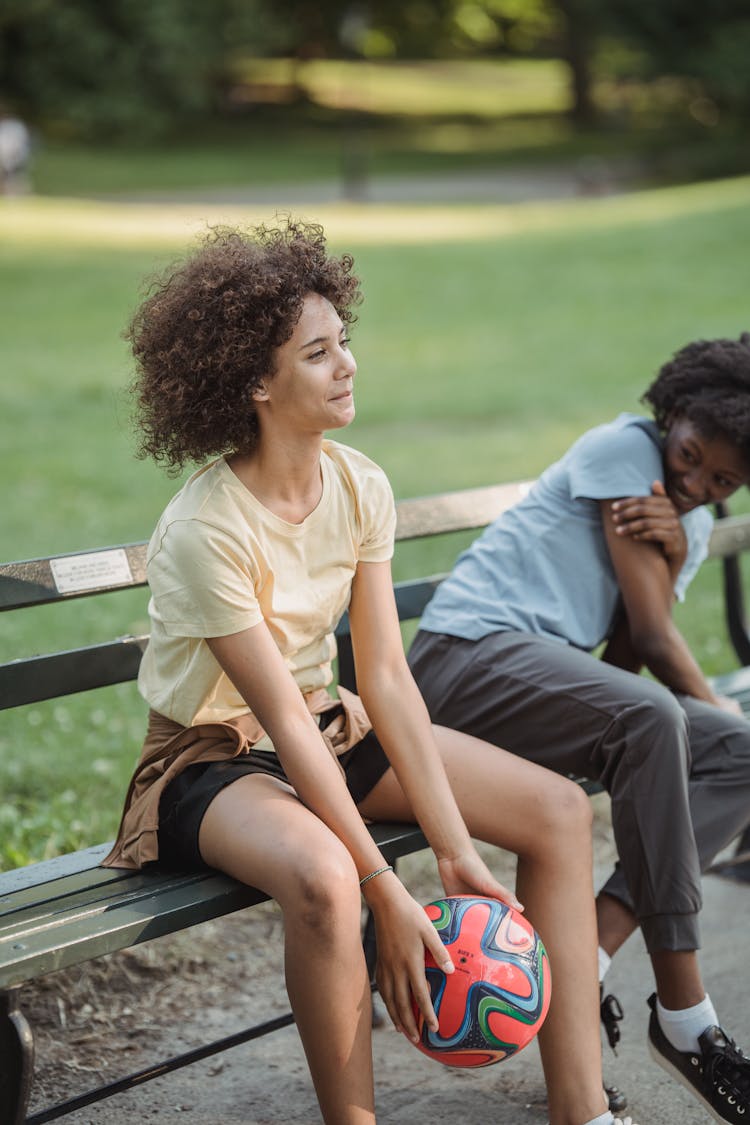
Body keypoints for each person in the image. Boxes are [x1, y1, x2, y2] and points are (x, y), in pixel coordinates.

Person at [104, 219, 637, 1125]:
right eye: (317, 353)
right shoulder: (204, 529)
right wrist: (390, 892)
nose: (347, 364)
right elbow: (271, 716)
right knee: (325, 874)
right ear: (256, 383)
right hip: (212, 763)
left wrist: (458, 853)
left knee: (554, 808)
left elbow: (386, 678)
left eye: (343, 341)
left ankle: (582, 1110)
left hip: (329, 724)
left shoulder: (360, 485)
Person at [408, 334, 750, 1125]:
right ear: (672, 414)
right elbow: (660, 651)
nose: (691, 482)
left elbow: (626, 653)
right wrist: (714, 697)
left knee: (737, 754)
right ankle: (685, 1010)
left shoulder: (687, 526)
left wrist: (673, 550)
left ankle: (583, 952)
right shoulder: (622, 451)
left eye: (721, 479)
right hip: (462, 659)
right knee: (672, 717)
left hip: (531, 679)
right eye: (691, 454)